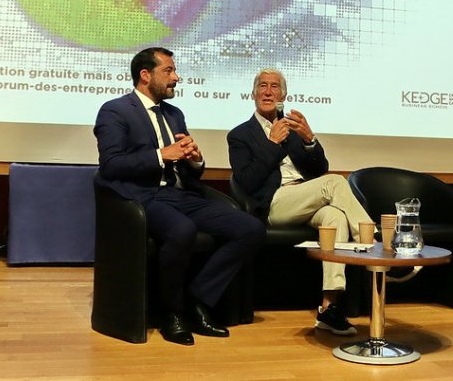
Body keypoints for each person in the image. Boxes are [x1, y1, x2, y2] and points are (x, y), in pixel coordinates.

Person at [95, 47, 265, 346]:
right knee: (181, 231)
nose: (177, 77)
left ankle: (198, 301)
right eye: (169, 71)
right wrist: (162, 155)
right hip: (142, 197)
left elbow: (188, 170)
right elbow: (111, 165)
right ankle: (172, 314)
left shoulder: (174, 114)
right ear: (145, 75)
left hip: (181, 193)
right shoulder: (115, 110)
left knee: (250, 228)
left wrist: (195, 159)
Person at [227, 68, 373, 336]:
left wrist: (309, 140)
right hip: (274, 204)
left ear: (283, 95)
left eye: (274, 87)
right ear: (253, 93)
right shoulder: (240, 135)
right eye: (262, 86)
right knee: (336, 182)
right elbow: (247, 182)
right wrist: (272, 144)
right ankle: (372, 244)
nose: (268, 91)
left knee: (335, 218)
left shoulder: (293, 130)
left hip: (305, 198)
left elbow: (319, 169)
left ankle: (329, 307)